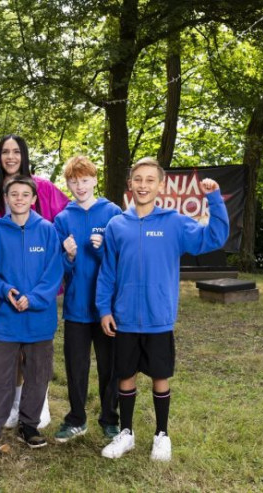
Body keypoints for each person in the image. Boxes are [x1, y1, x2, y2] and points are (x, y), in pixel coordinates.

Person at [96, 157, 229, 461]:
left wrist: (214, 199)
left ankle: (162, 435)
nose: (143, 185)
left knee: (160, 376)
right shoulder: (117, 225)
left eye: (149, 180)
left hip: (159, 319)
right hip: (125, 319)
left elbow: (215, 237)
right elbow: (107, 272)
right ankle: (126, 433)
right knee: (125, 376)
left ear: (160, 185)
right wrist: (104, 309)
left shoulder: (174, 222)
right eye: (138, 179)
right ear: (130, 184)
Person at [0, 176, 63, 456]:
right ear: (6, 198)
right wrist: (5, 290)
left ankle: (29, 426)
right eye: (13, 194)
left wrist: (34, 298)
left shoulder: (48, 231)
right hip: (7, 319)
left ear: (34, 199)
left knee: (37, 376)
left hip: (39, 319)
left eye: (25, 194)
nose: (19, 198)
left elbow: (54, 272)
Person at [0, 134, 69, 429]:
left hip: (39, 290)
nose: (10, 157)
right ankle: (11, 409)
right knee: (6, 359)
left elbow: (68, 215)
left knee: (36, 360)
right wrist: (1, 286)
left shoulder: (43, 191)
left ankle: (35, 409)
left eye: (16, 151)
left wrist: (71, 246)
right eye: (5, 152)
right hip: (8, 291)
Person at [52, 156, 122, 443]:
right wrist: (68, 256)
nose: (79, 186)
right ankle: (76, 418)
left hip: (108, 308)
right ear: (67, 184)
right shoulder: (62, 219)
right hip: (77, 307)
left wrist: (102, 250)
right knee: (76, 367)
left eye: (84, 180)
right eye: (73, 181)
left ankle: (110, 418)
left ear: (94, 179)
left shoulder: (113, 213)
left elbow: (122, 262)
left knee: (110, 367)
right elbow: (58, 270)